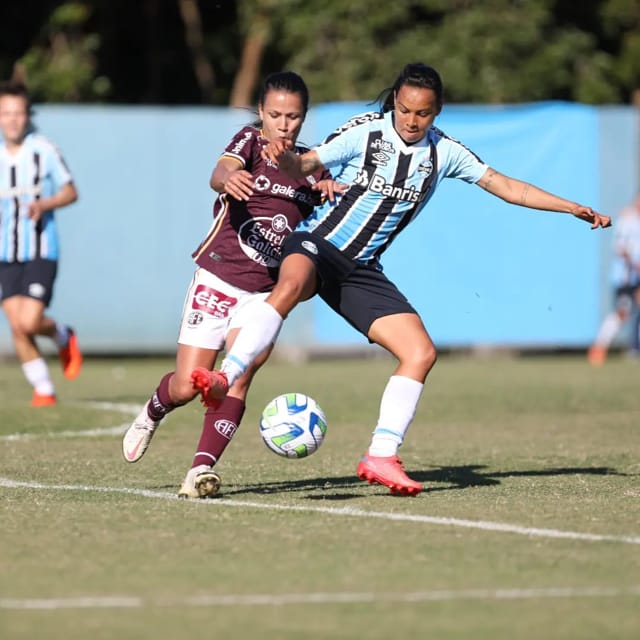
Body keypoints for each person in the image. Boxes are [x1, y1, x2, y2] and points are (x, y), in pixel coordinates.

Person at [191, 62, 612, 497]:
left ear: (438, 111)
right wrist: (289, 162)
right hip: (317, 242)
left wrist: (571, 207)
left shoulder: (445, 152)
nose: (411, 121)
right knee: (291, 286)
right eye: (405, 109)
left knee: (420, 352)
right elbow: (306, 165)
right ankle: (229, 373)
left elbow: (506, 186)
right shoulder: (366, 132)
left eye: (423, 113)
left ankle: (381, 455)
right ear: (394, 100)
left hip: (361, 268)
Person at [121, 71, 343, 499]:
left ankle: (199, 472)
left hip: (264, 294)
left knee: (234, 380)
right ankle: (152, 411)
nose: (283, 124)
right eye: (275, 114)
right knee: (189, 385)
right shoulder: (250, 142)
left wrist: (329, 188)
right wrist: (228, 179)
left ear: (303, 118)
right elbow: (220, 172)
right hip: (219, 277)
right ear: (261, 112)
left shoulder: (310, 167)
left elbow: (323, 199)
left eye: (293, 117)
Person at [0, 82, 82, 407]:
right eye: (6, 113)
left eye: (18, 113)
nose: (12, 120)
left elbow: (70, 191)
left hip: (40, 250)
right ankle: (44, 390)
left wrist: (44, 205)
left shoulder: (44, 150)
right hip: (5, 253)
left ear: (27, 116)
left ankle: (62, 335)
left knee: (30, 321)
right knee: (16, 326)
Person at [587, 193, 640, 365]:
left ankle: (634, 348)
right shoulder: (628, 220)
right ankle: (599, 346)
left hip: (636, 275)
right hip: (626, 276)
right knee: (622, 313)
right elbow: (620, 247)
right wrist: (634, 264)